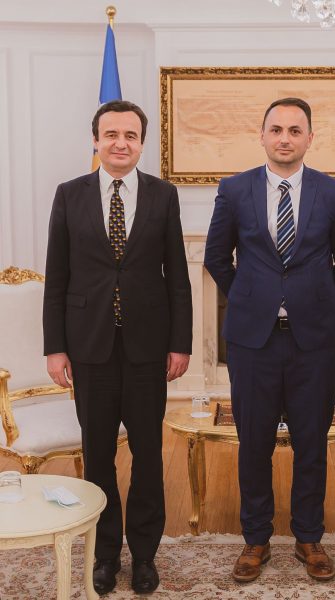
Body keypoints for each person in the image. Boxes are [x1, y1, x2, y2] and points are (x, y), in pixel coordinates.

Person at [204, 97, 335, 582]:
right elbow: (216, 258)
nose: (285, 138)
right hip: (253, 342)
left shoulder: (333, 192)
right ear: (262, 135)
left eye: (295, 130)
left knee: (311, 442)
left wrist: (313, 300)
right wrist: (252, 298)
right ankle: (255, 538)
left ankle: (309, 537)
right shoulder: (234, 189)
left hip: (313, 342)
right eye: (276, 129)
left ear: (310, 138)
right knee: (254, 442)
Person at [43, 100, 192, 595]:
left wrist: (180, 343)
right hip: (90, 349)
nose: (120, 143)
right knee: (98, 456)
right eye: (111, 134)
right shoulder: (69, 195)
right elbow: (57, 278)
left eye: (130, 135)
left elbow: (178, 277)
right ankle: (104, 554)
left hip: (149, 348)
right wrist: (55, 347)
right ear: (96, 140)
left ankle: (144, 554)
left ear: (142, 143)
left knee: (148, 455)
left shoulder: (164, 195)